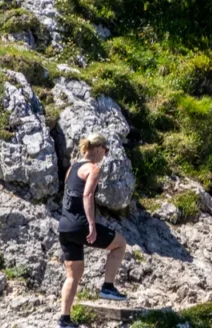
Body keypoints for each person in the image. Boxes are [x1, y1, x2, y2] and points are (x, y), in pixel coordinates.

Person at [57, 134, 128, 328]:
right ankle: (108, 287)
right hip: (80, 225)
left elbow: (68, 196)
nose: (104, 155)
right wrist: (91, 224)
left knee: (73, 275)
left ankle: (64, 319)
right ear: (98, 148)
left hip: (64, 226)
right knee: (120, 243)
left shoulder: (72, 168)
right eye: (105, 151)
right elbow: (87, 195)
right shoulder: (93, 169)